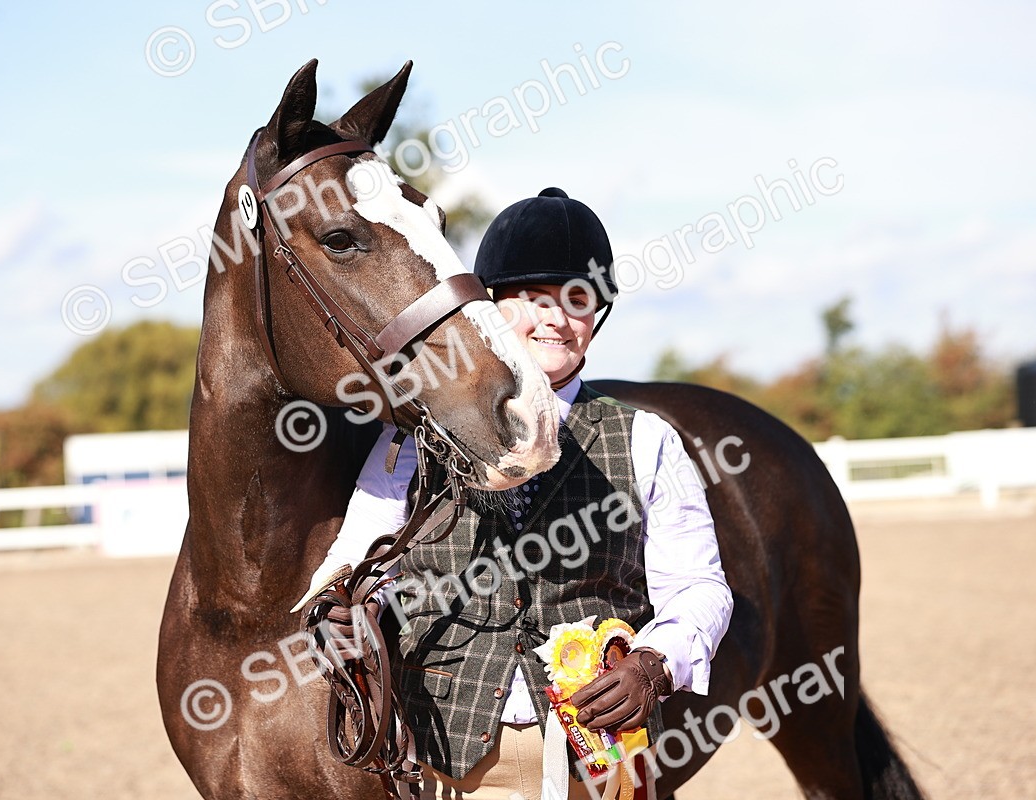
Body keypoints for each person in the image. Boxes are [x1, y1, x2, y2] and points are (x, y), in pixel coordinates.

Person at [296, 188, 733, 800]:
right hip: (457, 761)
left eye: (577, 300)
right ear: (492, 308)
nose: (556, 319)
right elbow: (358, 561)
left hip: (606, 761)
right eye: (533, 299)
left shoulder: (648, 439)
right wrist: (347, 609)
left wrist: (657, 662)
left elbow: (697, 587)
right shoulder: (410, 443)